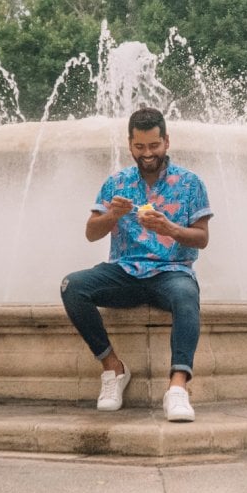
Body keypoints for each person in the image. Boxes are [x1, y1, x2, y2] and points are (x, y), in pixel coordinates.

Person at [60, 106, 212, 422]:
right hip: (125, 271)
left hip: (172, 271)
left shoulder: (190, 183)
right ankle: (114, 369)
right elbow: (91, 233)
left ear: (166, 142)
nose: (147, 154)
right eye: (140, 147)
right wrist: (112, 215)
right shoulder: (116, 182)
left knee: (187, 295)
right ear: (130, 144)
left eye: (154, 146)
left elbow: (201, 238)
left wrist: (169, 228)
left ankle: (178, 387)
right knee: (72, 286)